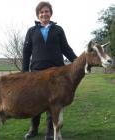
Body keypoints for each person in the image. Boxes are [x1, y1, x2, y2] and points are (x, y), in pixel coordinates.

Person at [22, 1, 77, 140]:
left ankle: (50, 132)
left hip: (56, 73)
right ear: (38, 15)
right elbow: (26, 52)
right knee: (35, 101)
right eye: (41, 12)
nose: (44, 14)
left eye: (46, 11)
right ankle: (33, 129)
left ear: (50, 13)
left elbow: (66, 48)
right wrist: (24, 72)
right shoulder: (31, 31)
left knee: (54, 102)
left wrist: (77, 62)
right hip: (36, 72)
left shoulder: (58, 30)